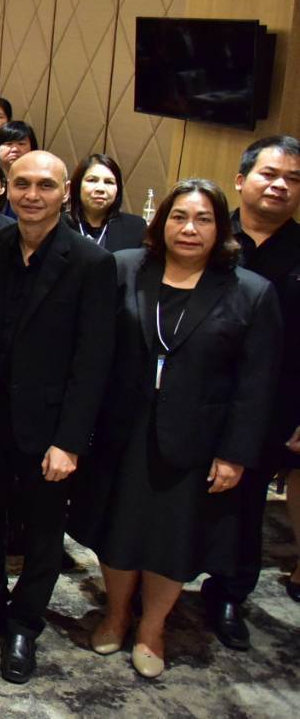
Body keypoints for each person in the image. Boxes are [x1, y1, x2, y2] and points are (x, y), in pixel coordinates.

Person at [70, 180, 280, 679]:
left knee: (173, 538)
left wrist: (235, 453)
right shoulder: (123, 269)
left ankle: (153, 627)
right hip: (122, 430)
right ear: (161, 222)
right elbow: (90, 353)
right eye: (179, 217)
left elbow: (256, 385)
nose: (189, 228)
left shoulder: (250, 291)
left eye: (203, 219)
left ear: (221, 229)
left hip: (196, 439)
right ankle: (117, 614)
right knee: (117, 529)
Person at [0, 151, 115, 684]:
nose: (31, 195)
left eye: (44, 185)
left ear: (65, 192)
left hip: (49, 425)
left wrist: (71, 441)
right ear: (6, 190)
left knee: (42, 531)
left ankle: (25, 621)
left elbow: (92, 361)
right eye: (21, 184)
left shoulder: (90, 262)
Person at [201, 135, 300, 644]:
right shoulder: (208, 236)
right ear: (241, 180)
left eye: (293, 179)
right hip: (198, 394)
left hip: (272, 403)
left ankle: (229, 594)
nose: (280, 185)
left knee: (246, 506)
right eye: (269, 174)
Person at [69, 154, 148, 253]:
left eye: (109, 182)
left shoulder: (135, 227)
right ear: (77, 185)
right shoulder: (59, 224)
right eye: (92, 180)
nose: (100, 189)